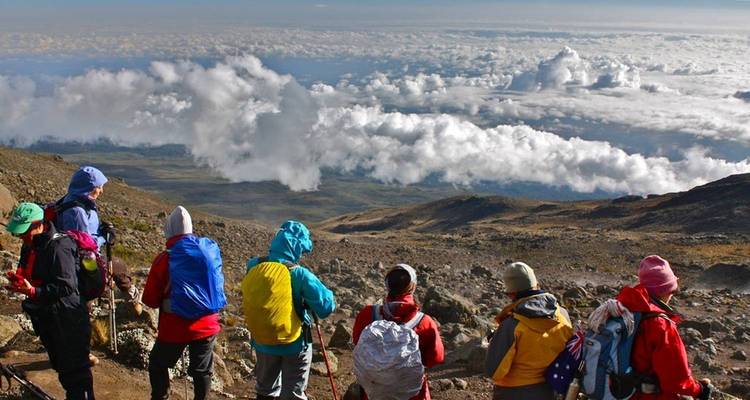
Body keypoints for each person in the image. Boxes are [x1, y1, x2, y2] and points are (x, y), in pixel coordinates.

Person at [4, 203, 95, 399]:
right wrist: (19, 281)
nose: (20, 237)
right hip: (48, 318)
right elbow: (27, 270)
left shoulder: (59, 247)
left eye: (23, 232)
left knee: (76, 376)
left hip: (68, 319)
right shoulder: (30, 246)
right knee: (63, 369)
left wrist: (34, 291)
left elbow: (66, 286)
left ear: (38, 224)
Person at [244, 220, 335, 400]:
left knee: (265, 390)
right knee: (293, 394)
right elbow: (326, 307)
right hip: (294, 343)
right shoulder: (299, 273)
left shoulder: (253, 265)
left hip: (262, 340)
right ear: (298, 248)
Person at [142, 206, 223, 400]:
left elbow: (150, 300)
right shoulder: (207, 254)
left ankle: (161, 396)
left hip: (174, 326)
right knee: (202, 371)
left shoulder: (165, 259)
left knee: (158, 363)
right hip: (207, 324)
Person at [616, 255, 712, 400]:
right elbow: (675, 380)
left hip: (619, 393)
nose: (672, 295)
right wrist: (700, 389)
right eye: (672, 290)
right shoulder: (660, 325)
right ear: (664, 291)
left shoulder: (623, 311)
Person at [352, 263, 445, 400]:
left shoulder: (367, 314)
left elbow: (357, 342)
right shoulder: (425, 322)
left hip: (374, 392)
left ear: (387, 285)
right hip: (412, 393)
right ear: (412, 287)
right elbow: (436, 358)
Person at [58, 166, 141, 313]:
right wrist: (104, 237)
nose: (101, 191)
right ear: (88, 187)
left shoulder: (77, 200)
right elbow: (83, 244)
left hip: (80, 257)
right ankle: (134, 303)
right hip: (82, 260)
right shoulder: (76, 211)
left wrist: (101, 232)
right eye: (98, 187)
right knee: (117, 266)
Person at [485, 262, 572, 400]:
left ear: (511, 293)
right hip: (553, 389)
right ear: (536, 284)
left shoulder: (511, 325)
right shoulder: (563, 315)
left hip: (513, 393)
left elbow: (494, 371)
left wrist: (494, 344)